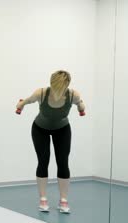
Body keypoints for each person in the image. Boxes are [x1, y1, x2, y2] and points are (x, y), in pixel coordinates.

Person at [16, 70, 85, 214]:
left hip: (62, 129)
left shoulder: (73, 95)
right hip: (40, 129)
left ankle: (64, 200)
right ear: (52, 83)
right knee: (43, 160)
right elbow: (27, 101)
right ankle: (43, 199)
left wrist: (81, 109)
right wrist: (20, 105)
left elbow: (80, 104)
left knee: (63, 161)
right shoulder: (41, 93)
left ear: (67, 85)